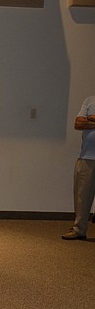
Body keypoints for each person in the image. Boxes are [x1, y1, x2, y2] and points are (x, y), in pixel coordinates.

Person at [62, 95, 95, 240]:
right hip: (87, 157)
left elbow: (84, 122)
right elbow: (78, 123)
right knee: (82, 197)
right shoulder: (89, 101)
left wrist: (91, 119)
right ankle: (79, 230)